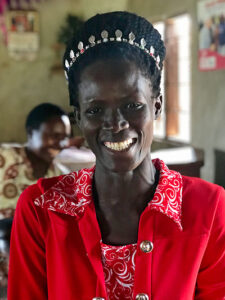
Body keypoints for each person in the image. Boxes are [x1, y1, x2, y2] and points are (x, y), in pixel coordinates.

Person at [8, 12, 225, 300]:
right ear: (79, 118)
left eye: (133, 105)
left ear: (156, 106)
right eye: (95, 110)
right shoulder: (40, 211)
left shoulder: (208, 208)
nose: (116, 124)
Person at [0, 102, 71, 219]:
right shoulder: (5, 157)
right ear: (31, 132)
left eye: (64, 138)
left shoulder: (61, 177)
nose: (60, 145)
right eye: (55, 136)